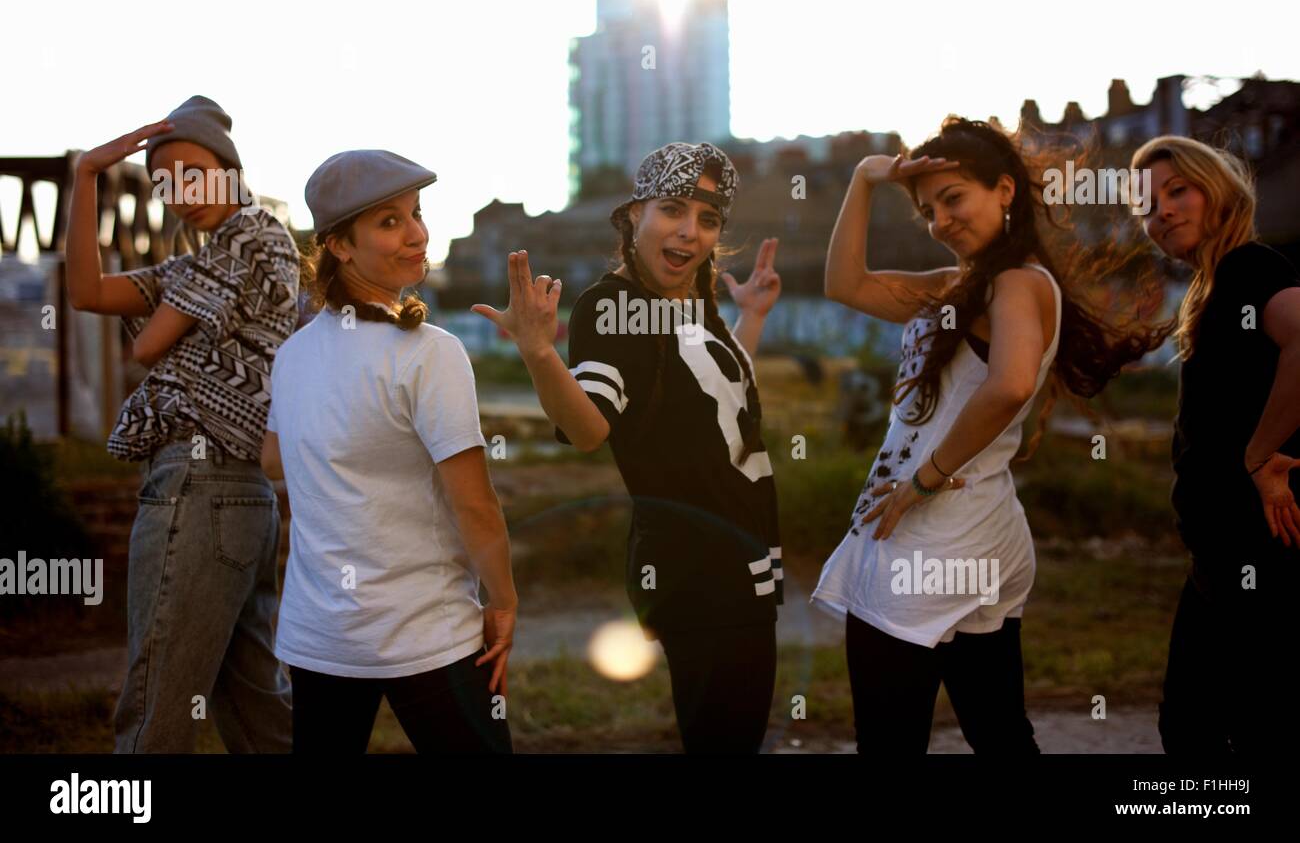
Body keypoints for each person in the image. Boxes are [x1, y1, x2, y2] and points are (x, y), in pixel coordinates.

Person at [812, 117, 1170, 754]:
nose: (941, 220)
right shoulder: (960, 285)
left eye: (954, 199)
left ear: (1004, 191)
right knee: (1000, 731)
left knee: (891, 742)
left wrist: (923, 481)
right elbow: (846, 284)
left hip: (932, 540)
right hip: (979, 533)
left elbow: (1006, 386)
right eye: (928, 210)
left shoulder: (1018, 284)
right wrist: (865, 180)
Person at [473, 142, 783, 753]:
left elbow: (722, 399)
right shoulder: (614, 307)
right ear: (634, 213)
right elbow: (589, 429)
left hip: (746, 555)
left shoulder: (694, 298)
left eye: (709, 219)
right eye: (672, 210)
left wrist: (751, 319)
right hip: (698, 568)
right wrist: (539, 352)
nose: (690, 232)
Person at [65, 95, 299, 752]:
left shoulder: (251, 235)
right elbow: (86, 291)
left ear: (230, 169)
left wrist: (166, 312)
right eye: (163, 183)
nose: (178, 194)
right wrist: (86, 175)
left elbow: (144, 345)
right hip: (237, 494)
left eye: (193, 173)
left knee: (157, 713)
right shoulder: (205, 263)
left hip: (198, 488)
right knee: (258, 716)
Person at [263, 149, 516, 753]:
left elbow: (274, 462)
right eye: (390, 221)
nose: (418, 234)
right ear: (341, 246)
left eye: (417, 213)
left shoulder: (293, 354)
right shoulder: (431, 353)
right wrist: (503, 601)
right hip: (426, 632)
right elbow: (474, 506)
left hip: (319, 635)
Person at [1133, 135, 1300, 754]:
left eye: (1179, 190)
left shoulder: (1249, 269)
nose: (1163, 212)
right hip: (1222, 556)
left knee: (1234, 728)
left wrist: (1258, 454)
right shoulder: (1218, 286)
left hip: (1257, 556)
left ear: (1221, 191)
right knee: (1199, 726)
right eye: (1148, 205)